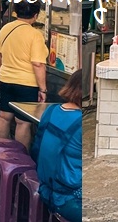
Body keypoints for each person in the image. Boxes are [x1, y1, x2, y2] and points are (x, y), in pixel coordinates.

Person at [0, 0, 49, 149]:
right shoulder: (35, 35)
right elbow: (38, 64)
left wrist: (0, 75)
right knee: (23, 122)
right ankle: (20, 158)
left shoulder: (5, 29)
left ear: (16, 12)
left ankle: (3, 152)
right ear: (36, 15)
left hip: (6, 79)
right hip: (26, 83)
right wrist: (43, 89)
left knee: (4, 116)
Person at [31, 70, 83, 222]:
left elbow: (36, 150)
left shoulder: (51, 110)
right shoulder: (82, 123)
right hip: (68, 200)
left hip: (46, 189)